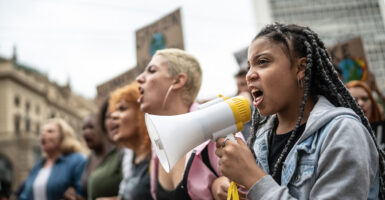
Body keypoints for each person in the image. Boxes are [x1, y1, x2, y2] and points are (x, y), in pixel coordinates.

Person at [215, 23, 385, 199]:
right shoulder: (261, 140)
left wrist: (253, 179)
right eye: (250, 66)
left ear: (300, 68)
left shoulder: (342, 131)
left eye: (262, 62)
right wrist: (226, 185)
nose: (250, 74)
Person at [136, 48, 226, 200]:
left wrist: (225, 186)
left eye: (152, 70)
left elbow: (249, 188)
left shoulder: (216, 128)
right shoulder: (157, 142)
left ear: (178, 81)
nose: (139, 78)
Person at [19, 118, 87, 200]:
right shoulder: (36, 167)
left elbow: (83, 192)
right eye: (42, 132)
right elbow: (24, 195)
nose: (43, 134)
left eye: (50, 131)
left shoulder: (77, 160)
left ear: (63, 137)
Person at [105, 82, 152, 200]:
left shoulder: (158, 158)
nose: (113, 116)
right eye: (114, 111)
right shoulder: (135, 159)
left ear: (142, 111)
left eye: (122, 108)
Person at [80, 111, 122, 200]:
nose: (86, 132)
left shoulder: (120, 153)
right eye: (83, 129)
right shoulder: (90, 158)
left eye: (91, 127)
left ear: (104, 128)